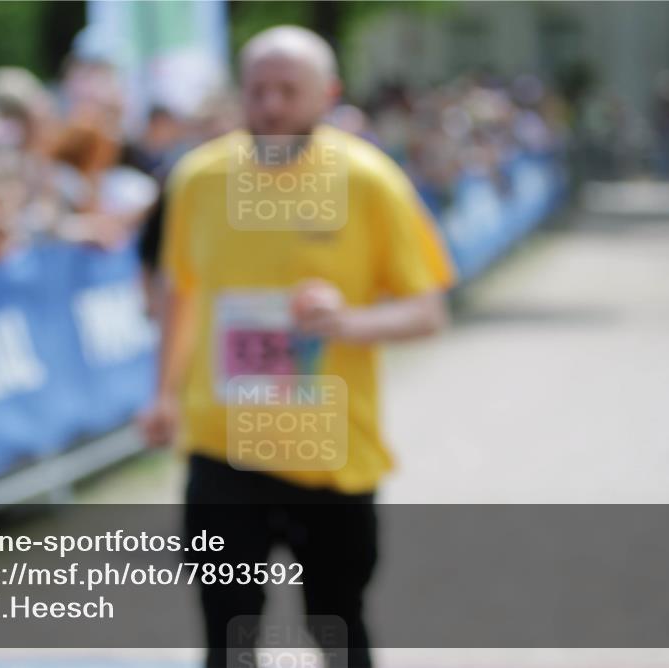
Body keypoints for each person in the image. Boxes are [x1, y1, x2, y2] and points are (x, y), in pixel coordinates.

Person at [138, 26, 455, 668]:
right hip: (223, 446)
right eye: (258, 91)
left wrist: (349, 323)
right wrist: (163, 395)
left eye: (290, 90)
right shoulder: (198, 177)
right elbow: (181, 294)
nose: (273, 106)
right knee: (229, 640)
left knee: (337, 629)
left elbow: (428, 311)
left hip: (332, 453)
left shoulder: (369, 180)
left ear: (329, 94)